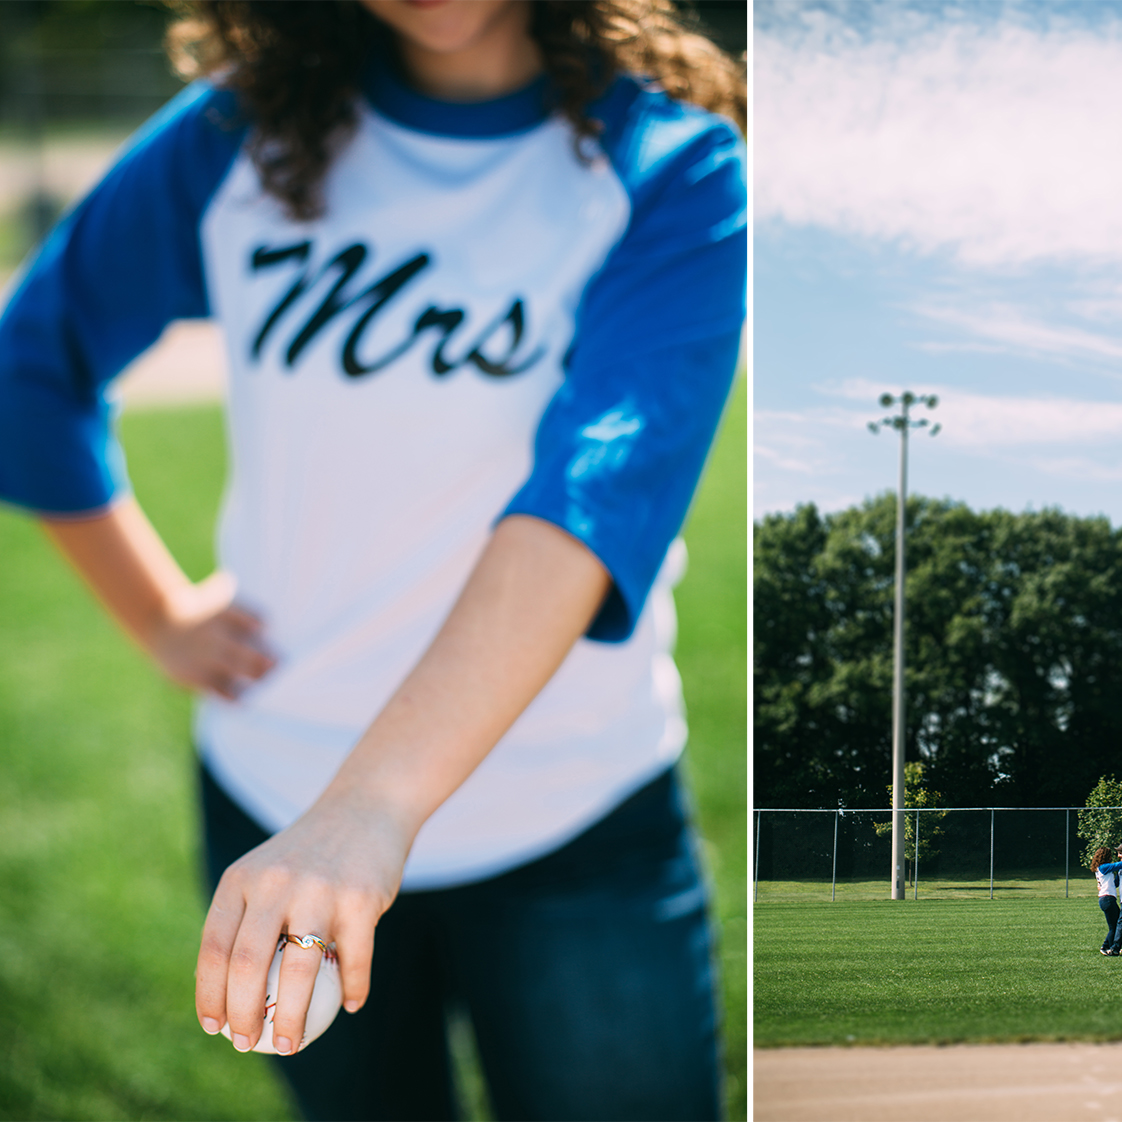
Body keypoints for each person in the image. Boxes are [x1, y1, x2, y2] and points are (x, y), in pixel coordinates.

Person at [0, 1, 745, 1118]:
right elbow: (32, 367)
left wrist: (372, 806)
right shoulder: (233, 134)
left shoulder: (674, 168)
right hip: (276, 804)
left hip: (573, 813)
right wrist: (156, 614)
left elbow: (586, 504)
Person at [1090, 847, 1121, 956]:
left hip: (1106, 899)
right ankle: (1106, 946)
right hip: (1107, 899)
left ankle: (1112, 946)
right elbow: (1119, 865)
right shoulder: (1104, 867)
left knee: (1117, 923)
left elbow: (1113, 883)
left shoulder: (1101, 868)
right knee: (1115, 925)